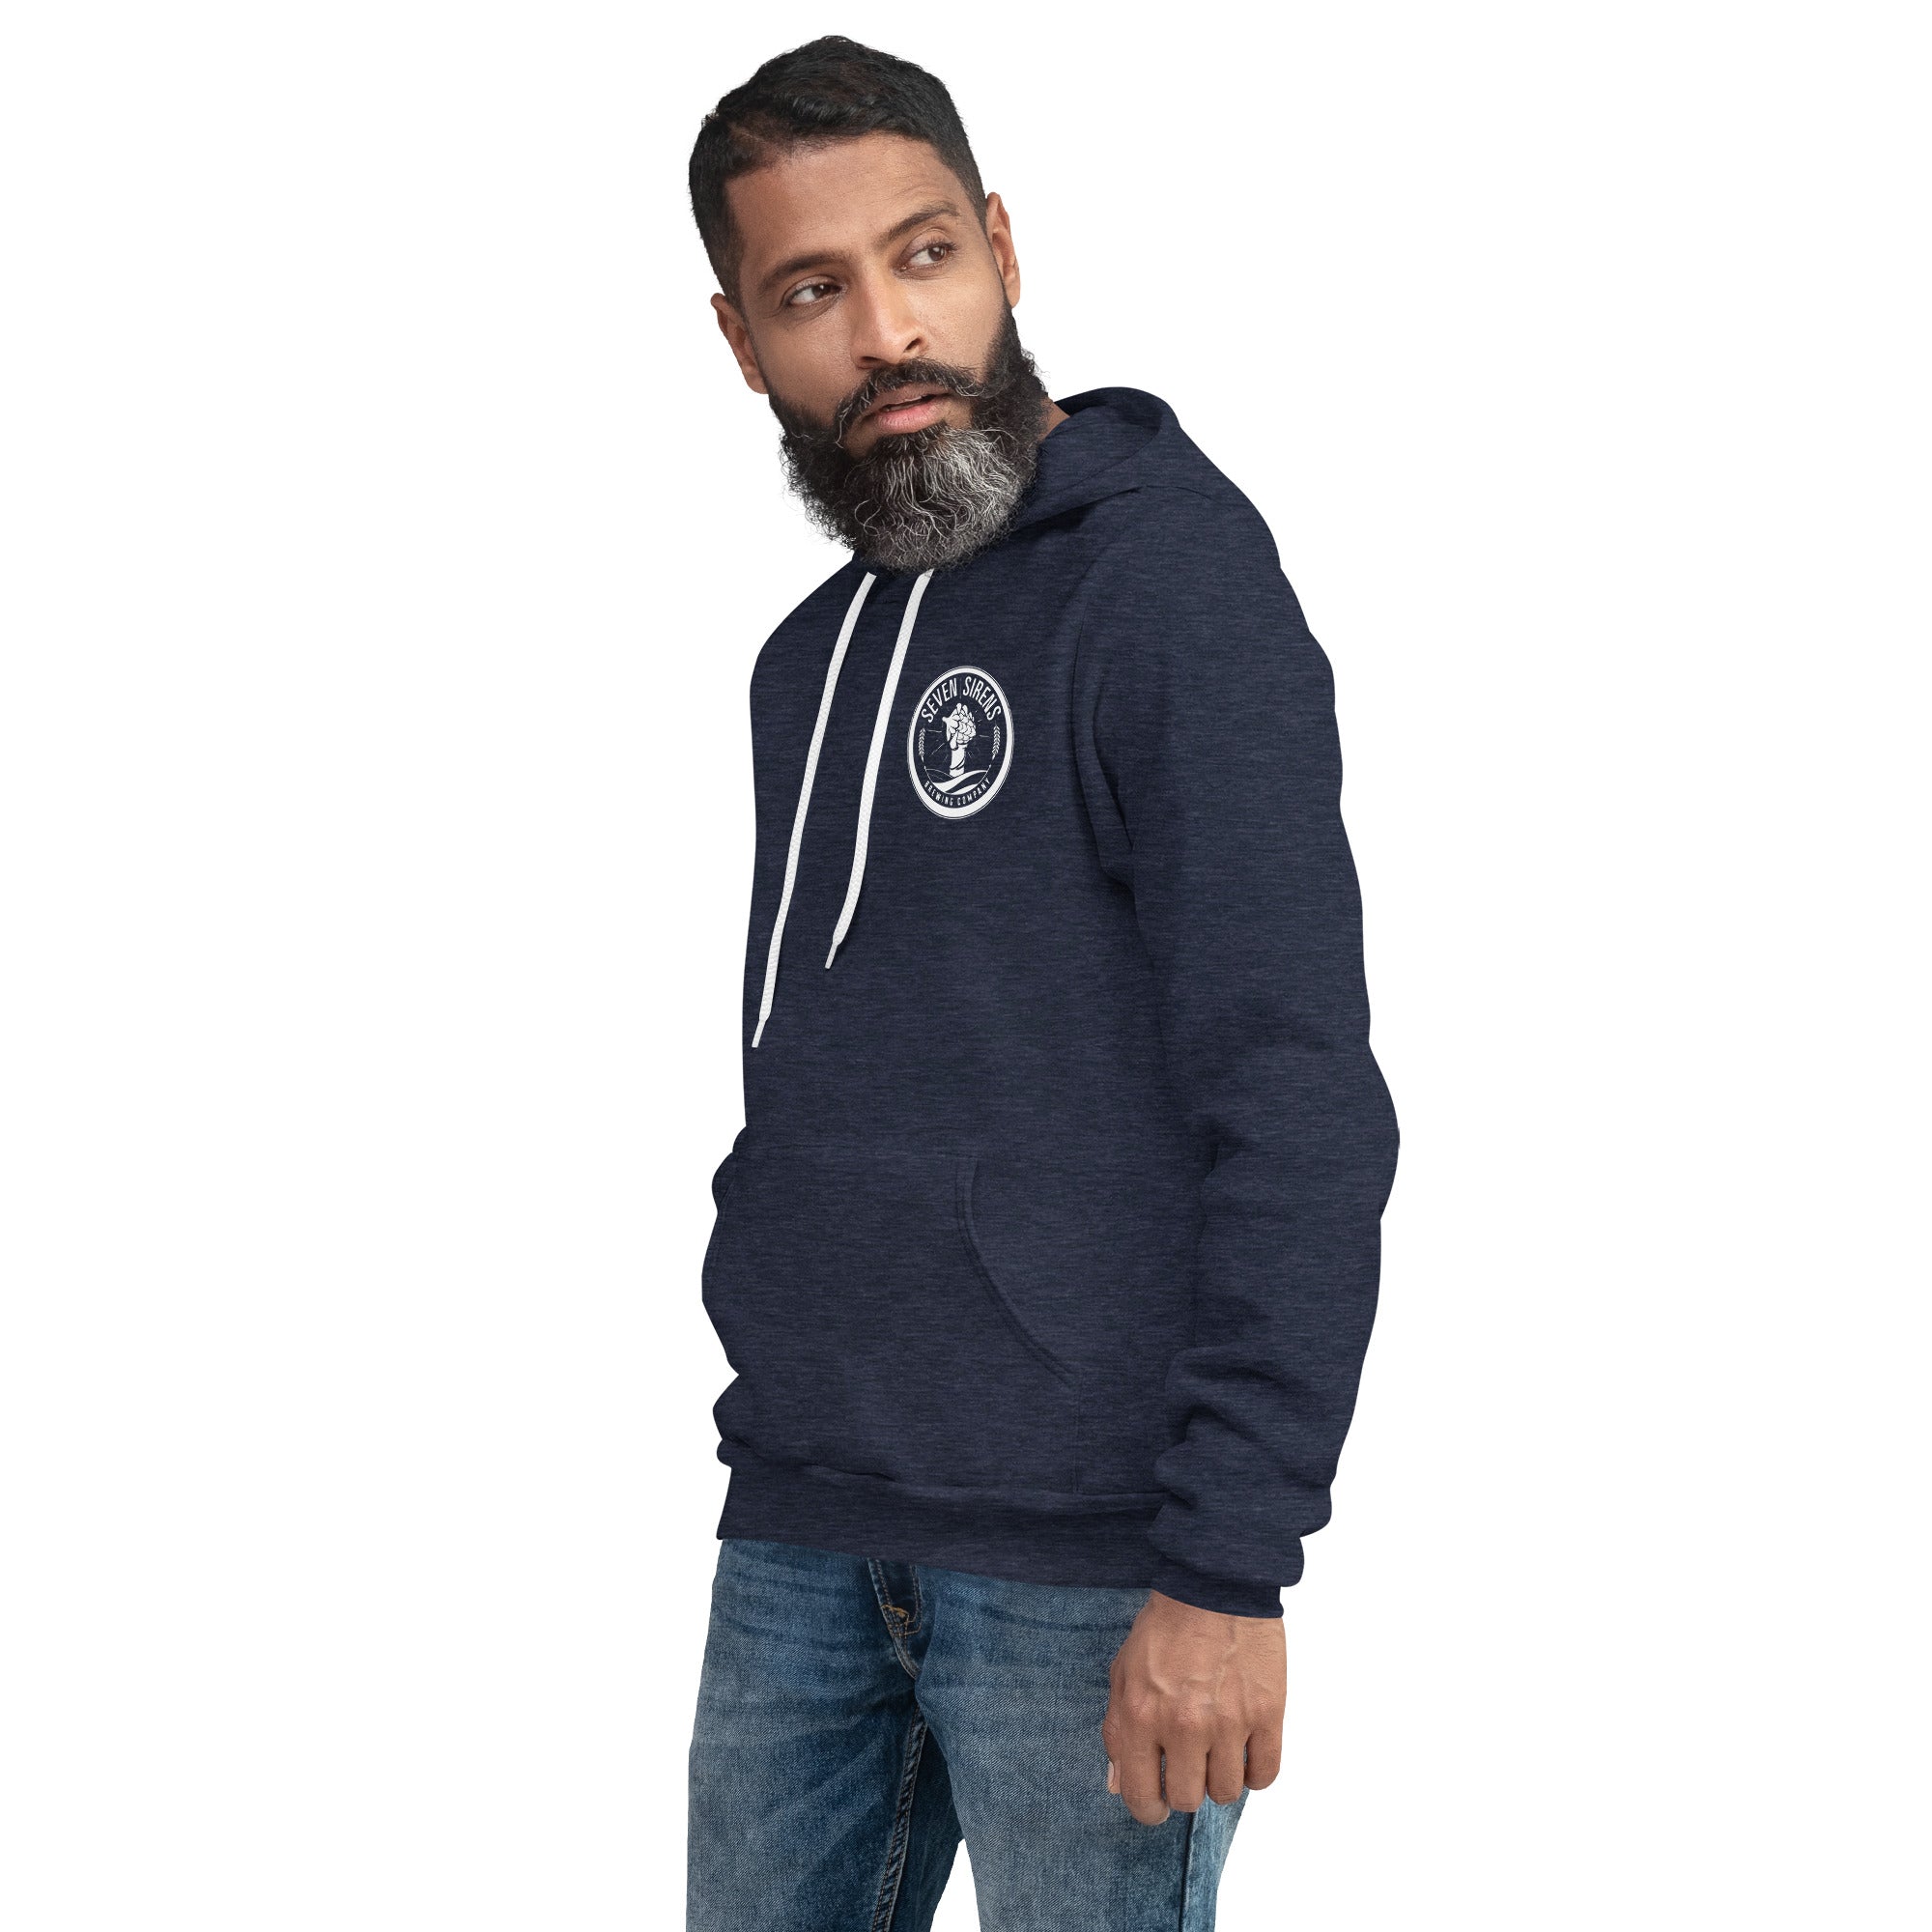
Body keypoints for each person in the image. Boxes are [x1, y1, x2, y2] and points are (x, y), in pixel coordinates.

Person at [683, 38, 1398, 1931]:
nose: (888, 333)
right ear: (743, 341)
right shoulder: (804, 667)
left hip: (1093, 1563)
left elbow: (1297, 1094)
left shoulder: (1166, 586)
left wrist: (1229, 1564)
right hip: (801, 1528)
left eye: (922, 255)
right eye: (812, 292)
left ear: (1000, 247)